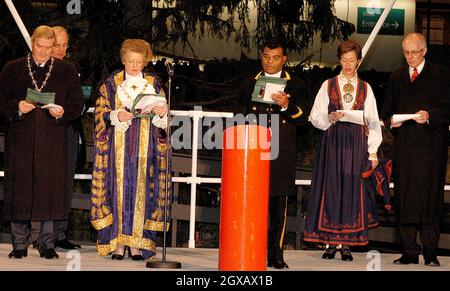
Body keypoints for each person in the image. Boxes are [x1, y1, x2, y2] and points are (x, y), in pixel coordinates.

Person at [0, 25, 84, 259]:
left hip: (52, 139)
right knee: (20, 188)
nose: (43, 52)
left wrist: (62, 112)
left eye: (49, 48)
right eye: (40, 47)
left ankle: (47, 243)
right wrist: (16, 106)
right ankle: (19, 243)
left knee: (49, 189)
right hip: (21, 137)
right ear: (32, 43)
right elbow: (2, 99)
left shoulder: (66, 71)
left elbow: (77, 105)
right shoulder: (13, 68)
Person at [304, 40, 390, 261]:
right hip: (333, 143)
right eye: (344, 60)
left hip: (356, 144)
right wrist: (329, 118)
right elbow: (315, 117)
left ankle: (348, 243)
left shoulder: (366, 88)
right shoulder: (328, 85)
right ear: (339, 60)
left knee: (352, 191)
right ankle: (331, 242)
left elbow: (372, 122)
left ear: (359, 61)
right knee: (331, 189)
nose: (348, 64)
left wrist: (372, 153)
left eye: (352, 60)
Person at [90, 39, 170, 260]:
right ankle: (118, 244)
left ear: (145, 62)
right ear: (123, 60)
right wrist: (115, 115)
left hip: (146, 147)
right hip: (118, 148)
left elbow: (165, 118)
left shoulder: (154, 84)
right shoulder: (111, 84)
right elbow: (99, 114)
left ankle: (136, 245)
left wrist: (161, 112)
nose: (134, 66)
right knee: (118, 192)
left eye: (138, 62)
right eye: (130, 61)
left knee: (142, 192)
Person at [235, 40, 310, 269]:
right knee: (252, 204)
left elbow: (304, 120)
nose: (269, 61)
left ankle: (276, 254)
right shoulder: (249, 83)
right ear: (261, 56)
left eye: (275, 57)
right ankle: (252, 249)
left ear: (284, 59)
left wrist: (287, 105)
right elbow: (238, 116)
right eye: (266, 56)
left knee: (279, 205)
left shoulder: (295, 85)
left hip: (281, 152)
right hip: (253, 151)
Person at [381, 33, 450, 267]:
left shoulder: (441, 74)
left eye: (414, 52)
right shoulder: (396, 77)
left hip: (432, 149)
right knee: (405, 199)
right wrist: (392, 121)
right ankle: (408, 251)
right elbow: (386, 111)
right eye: (406, 53)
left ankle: (431, 253)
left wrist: (430, 116)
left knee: (430, 199)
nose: (410, 57)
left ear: (425, 51)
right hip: (404, 150)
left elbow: (447, 109)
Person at [30, 25, 82, 250]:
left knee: (64, 181)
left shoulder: (72, 68)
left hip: (67, 130)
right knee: (39, 181)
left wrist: (66, 110)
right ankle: (38, 235)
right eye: (56, 45)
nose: (60, 50)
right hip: (39, 131)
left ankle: (60, 233)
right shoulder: (33, 69)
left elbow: (82, 98)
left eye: (64, 46)